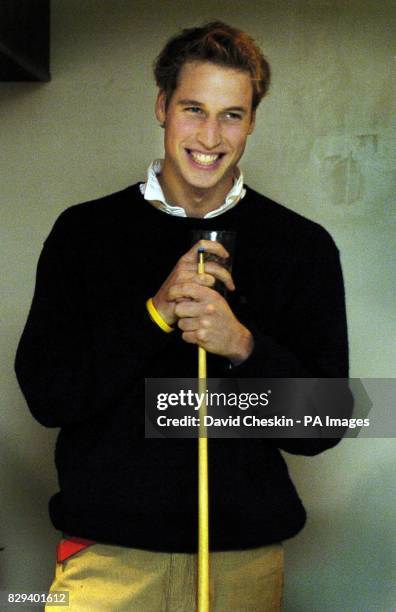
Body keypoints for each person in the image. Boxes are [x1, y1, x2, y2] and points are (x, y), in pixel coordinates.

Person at [15, 21, 351, 611]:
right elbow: (48, 396)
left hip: (242, 560)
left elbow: (325, 425)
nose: (210, 135)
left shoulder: (302, 245)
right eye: (194, 109)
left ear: (252, 123)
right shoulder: (84, 233)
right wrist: (152, 314)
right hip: (106, 559)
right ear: (162, 107)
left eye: (231, 115)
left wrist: (243, 345)